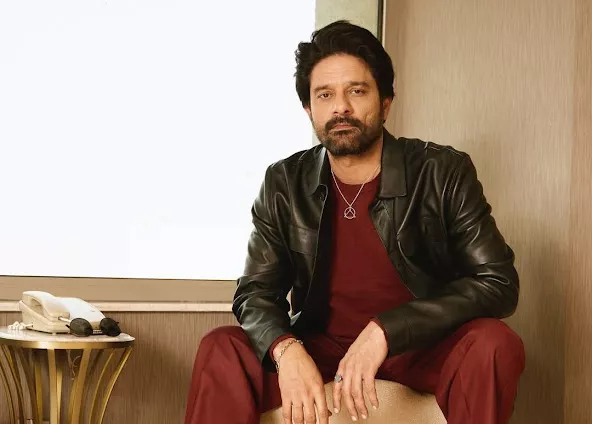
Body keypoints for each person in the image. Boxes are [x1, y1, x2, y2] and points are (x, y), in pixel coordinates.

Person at [184, 20, 525, 424]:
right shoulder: (284, 182)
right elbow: (255, 293)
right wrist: (286, 350)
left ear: (386, 102)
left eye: (357, 91)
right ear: (309, 109)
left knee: (494, 343)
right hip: (321, 348)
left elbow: (497, 282)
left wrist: (387, 330)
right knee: (221, 347)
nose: (340, 107)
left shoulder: (441, 171)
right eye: (325, 95)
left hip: (420, 349)